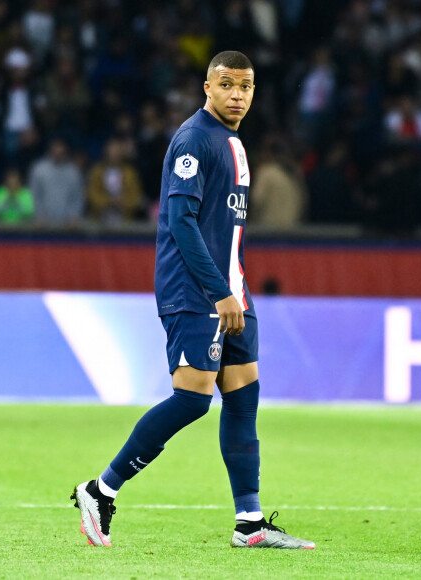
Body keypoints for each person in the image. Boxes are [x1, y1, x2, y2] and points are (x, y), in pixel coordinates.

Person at [71, 50, 315, 550]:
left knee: (243, 398)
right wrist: (220, 291)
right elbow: (180, 223)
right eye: (226, 85)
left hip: (233, 291)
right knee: (192, 400)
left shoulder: (235, 143)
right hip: (196, 292)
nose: (237, 94)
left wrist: (235, 291)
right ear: (207, 87)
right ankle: (100, 489)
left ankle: (249, 522)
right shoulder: (193, 140)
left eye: (245, 86)